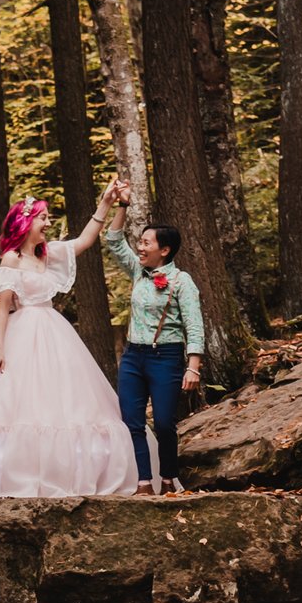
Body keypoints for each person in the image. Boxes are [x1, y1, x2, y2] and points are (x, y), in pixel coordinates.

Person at [0, 182, 140, 508]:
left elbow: (86, 240)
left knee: (68, 404)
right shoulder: (11, 259)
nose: (48, 223)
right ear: (26, 222)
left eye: (48, 219)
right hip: (22, 336)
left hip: (55, 335)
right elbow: (3, 309)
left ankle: (70, 473)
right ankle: (16, 474)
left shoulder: (49, 255)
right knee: (16, 406)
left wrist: (107, 203)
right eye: (43, 218)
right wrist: (0, 349)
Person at [100, 186, 203, 495]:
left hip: (166, 357)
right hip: (132, 357)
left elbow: (194, 325)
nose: (140, 247)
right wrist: (123, 206)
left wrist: (193, 366)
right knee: (132, 420)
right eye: (141, 242)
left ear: (165, 250)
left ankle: (168, 477)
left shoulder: (182, 282)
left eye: (146, 243)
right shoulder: (137, 271)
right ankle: (144, 482)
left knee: (163, 423)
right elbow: (113, 242)